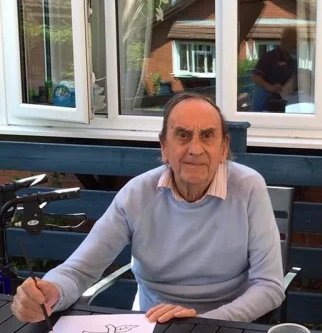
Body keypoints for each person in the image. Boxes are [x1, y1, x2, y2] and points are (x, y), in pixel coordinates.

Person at [11, 92, 285, 324]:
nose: (195, 149)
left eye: (207, 136)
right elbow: (79, 270)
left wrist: (205, 322)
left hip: (225, 324)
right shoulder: (137, 195)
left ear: (224, 147)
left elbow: (269, 285)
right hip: (153, 323)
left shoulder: (248, 187)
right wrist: (52, 291)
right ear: (164, 146)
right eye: (182, 135)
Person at [251, 27, 298, 112]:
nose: (295, 45)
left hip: (283, 103)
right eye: (293, 42)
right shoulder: (269, 56)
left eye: (296, 42)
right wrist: (271, 87)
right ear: (284, 41)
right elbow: (255, 77)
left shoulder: (291, 61)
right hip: (265, 105)